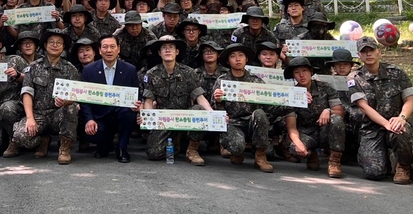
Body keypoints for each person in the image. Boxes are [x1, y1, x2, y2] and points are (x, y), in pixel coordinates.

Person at [350, 36, 413, 184]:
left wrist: (402, 118)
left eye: (371, 50)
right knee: (374, 173)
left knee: (401, 131)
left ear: (379, 51)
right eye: (364, 51)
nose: (368, 54)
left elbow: (409, 99)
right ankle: (379, 159)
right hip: (371, 128)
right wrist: (386, 124)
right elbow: (363, 106)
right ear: (359, 55)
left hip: (395, 122)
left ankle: (403, 166)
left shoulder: (397, 73)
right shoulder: (354, 78)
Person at [10, 29, 80, 165]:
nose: (55, 45)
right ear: (45, 45)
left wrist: (67, 101)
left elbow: (76, 96)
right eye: (51, 42)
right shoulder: (34, 67)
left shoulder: (70, 68)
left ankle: (65, 148)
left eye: (59, 43)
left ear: (63, 46)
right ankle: (42, 140)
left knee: (71, 108)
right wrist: (30, 118)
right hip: (38, 115)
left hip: (58, 114)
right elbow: (27, 93)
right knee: (20, 136)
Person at [140, 35, 214, 165]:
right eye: (164, 48)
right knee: (153, 153)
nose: (167, 50)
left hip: (185, 117)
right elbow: (148, 100)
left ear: (177, 51)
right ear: (159, 52)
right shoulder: (151, 74)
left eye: (171, 47)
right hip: (165, 118)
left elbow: (199, 97)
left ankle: (192, 150)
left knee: (198, 109)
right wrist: (147, 117)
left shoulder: (189, 72)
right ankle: (175, 141)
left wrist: (213, 114)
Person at [212, 43, 274, 172]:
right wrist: (218, 101)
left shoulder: (256, 81)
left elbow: (269, 105)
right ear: (228, 61)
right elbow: (214, 111)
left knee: (260, 113)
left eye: (241, 55)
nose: (238, 59)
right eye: (233, 56)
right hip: (233, 123)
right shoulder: (222, 80)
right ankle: (236, 151)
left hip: (251, 122)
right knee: (237, 147)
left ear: (246, 59)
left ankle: (260, 156)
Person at [80, 35, 141, 163]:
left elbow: (136, 94)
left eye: (112, 47)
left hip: (120, 114)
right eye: (105, 47)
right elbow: (84, 100)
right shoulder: (89, 70)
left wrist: (137, 104)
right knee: (93, 131)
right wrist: (89, 119)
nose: (109, 50)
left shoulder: (130, 69)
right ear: (99, 50)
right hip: (99, 115)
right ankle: (104, 145)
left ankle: (122, 147)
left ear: (118, 49)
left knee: (129, 114)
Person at [283, 56, 346, 178]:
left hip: (325, 130)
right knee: (294, 148)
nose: (301, 75)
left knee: (337, 120)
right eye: (297, 72)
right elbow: (291, 126)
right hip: (306, 133)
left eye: (304, 71)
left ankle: (334, 161)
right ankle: (311, 155)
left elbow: (340, 111)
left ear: (311, 72)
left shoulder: (326, 87)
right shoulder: (291, 94)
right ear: (293, 76)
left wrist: (328, 110)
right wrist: (298, 143)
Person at [329, 47, 363, 162]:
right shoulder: (327, 83)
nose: (342, 67)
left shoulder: (360, 80)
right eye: (338, 65)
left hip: (356, 118)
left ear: (351, 65)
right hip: (336, 116)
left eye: (345, 64)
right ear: (333, 67)